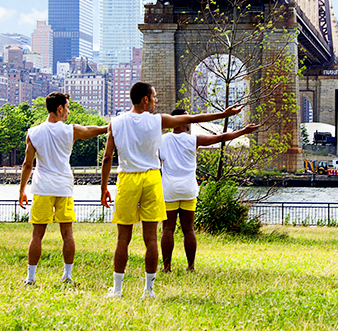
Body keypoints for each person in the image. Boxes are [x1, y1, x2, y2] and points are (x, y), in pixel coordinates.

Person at [101, 82, 243, 299]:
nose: (156, 101)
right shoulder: (159, 121)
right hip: (151, 178)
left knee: (123, 239)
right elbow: (193, 119)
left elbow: (107, 157)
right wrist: (223, 114)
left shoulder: (116, 122)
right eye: (154, 97)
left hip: (127, 178)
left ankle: (118, 290)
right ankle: (148, 291)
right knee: (150, 238)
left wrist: (103, 188)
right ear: (146, 99)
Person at [18, 92, 108, 285]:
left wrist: (21, 191)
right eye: (67, 107)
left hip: (42, 188)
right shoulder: (70, 131)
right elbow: (92, 130)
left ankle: (30, 278)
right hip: (64, 188)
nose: (68, 111)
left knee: (37, 235)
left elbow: (27, 165)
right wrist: (110, 127)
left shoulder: (33, 132)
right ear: (59, 108)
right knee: (67, 234)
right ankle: (67, 276)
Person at [159, 108, 260, 273]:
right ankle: (190, 267)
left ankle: (166, 267)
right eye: (187, 118)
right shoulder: (193, 140)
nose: (190, 121)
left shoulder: (162, 140)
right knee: (188, 229)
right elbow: (220, 138)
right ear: (182, 122)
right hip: (188, 190)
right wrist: (244, 131)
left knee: (168, 228)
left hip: (169, 189)